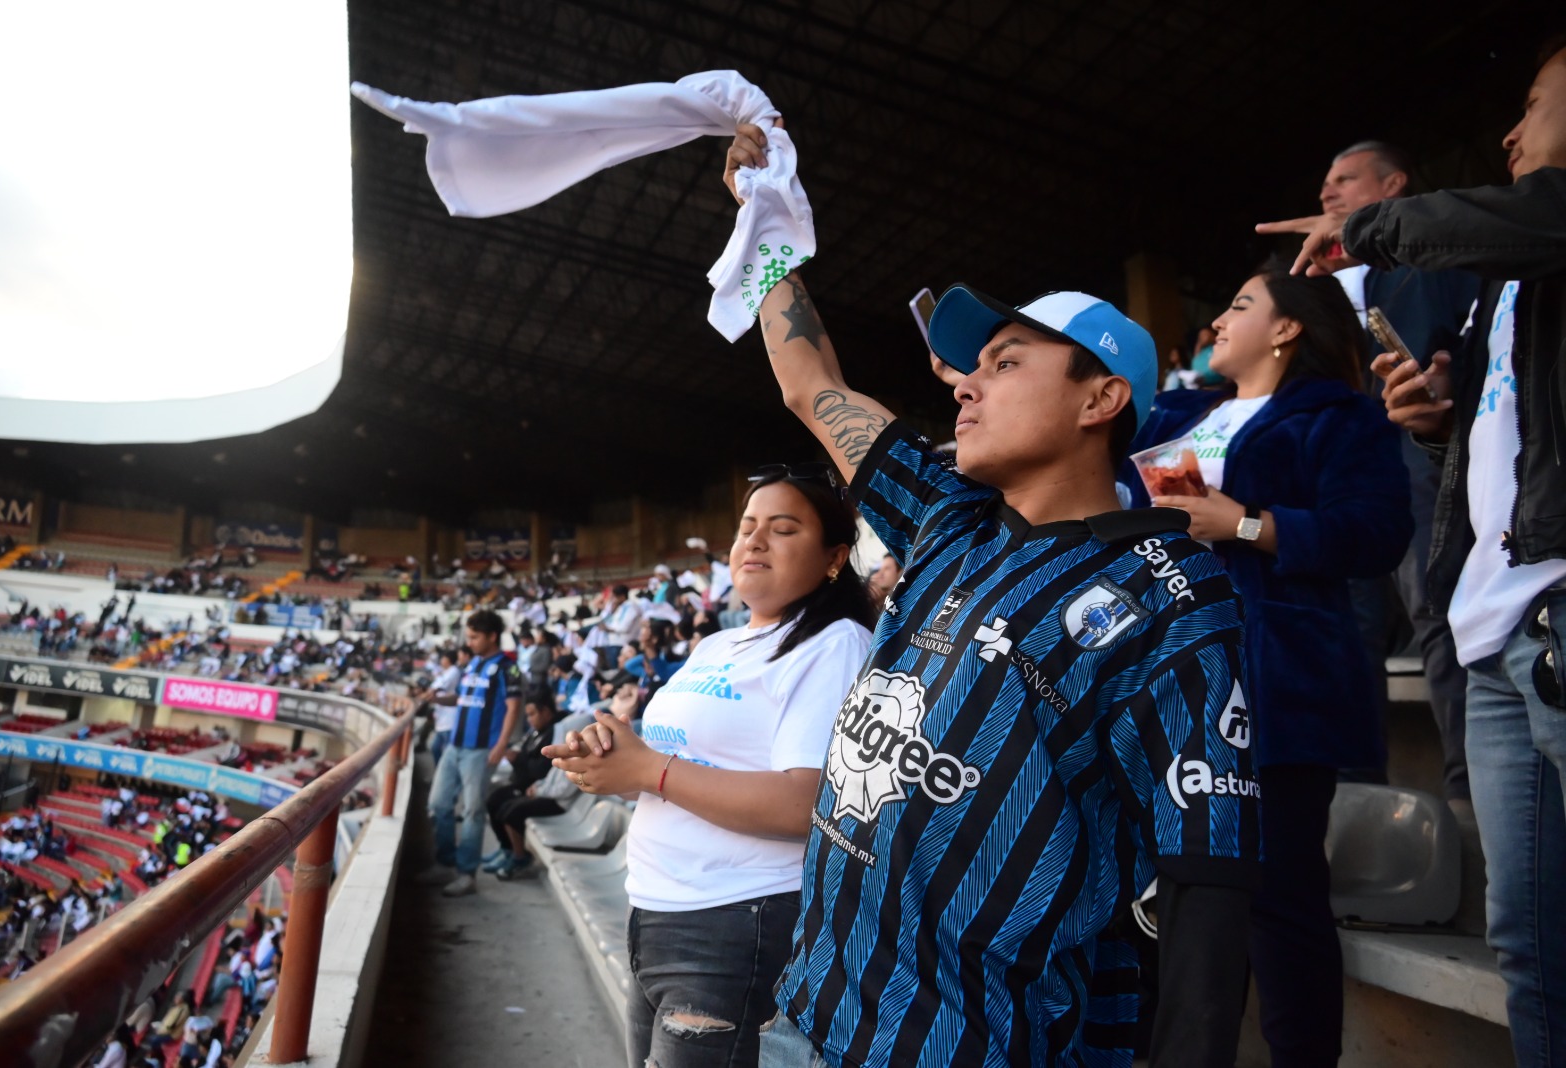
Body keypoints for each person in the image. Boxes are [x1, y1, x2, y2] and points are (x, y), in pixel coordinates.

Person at [716, 122, 1259, 1068]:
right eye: (975, 366)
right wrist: (766, 229)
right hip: (812, 1009)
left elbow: (1207, 879)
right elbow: (812, 384)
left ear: (1100, 402)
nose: (967, 387)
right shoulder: (947, 515)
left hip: (968, 1046)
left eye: (1006, 365)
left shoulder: (1173, 600)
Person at [1262, 35, 1566, 1067]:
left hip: (1552, 610)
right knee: (1528, 944)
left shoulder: (1512, 236)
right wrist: (1439, 424)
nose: (1509, 129)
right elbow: (1505, 445)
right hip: (1494, 627)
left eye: (1532, 102)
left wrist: (1365, 231)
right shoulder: (1506, 292)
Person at [1121, 260, 1412, 1067]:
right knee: (1168, 901)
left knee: (1281, 906)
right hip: (1167, 675)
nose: (1217, 321)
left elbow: (1376, 533)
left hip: (1277, 683)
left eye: (1240, 304)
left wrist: (1246, 525)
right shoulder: (1178, 414)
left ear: (1288, 329)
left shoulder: (1342, 417)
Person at [547, 464, 875, 1068]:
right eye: (748, 526)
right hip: (655, 909)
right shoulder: (717, 645)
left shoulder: (835, 643)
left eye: (782, 529)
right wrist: (610, 764)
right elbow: (681, 763)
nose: (754, 540)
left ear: (834, 556)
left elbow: (806, 804)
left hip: (736, 921)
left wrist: (649, 771)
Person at [1265, 140, 1482, 804]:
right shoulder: (1311, 284)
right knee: (1350, 628)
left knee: (1436, 611)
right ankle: (1358, 790)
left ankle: (1465, 789)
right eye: (1324, 182)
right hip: (1341, 479)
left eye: (1345, 180)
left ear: (1393, 187)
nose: (1327, 193)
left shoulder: (1430, 261)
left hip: (1419, 462)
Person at [421, 610, 521, 897]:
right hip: (455, 745)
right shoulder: (473, 663)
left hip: (481, 750)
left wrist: (501, 745)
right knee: (439, 804)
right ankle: (445, 862)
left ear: (492, 636)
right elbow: (463, 698)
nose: (470, 642)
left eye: (475, 637)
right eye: (469, 636)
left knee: (472, 811)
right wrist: (438, 698)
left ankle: (466, 874)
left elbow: (513, 708)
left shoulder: (507, 668)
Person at [484, 689, 576, 879]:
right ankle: (507, 849)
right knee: (493, 799)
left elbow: (544, 770)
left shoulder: (555, 733)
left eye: (532, 714)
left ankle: (519, 857)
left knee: (509, 810)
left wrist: (520, 761)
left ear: (546, 712)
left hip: (544, 792)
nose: (529, 719)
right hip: (537, 787)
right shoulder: (536, 732)